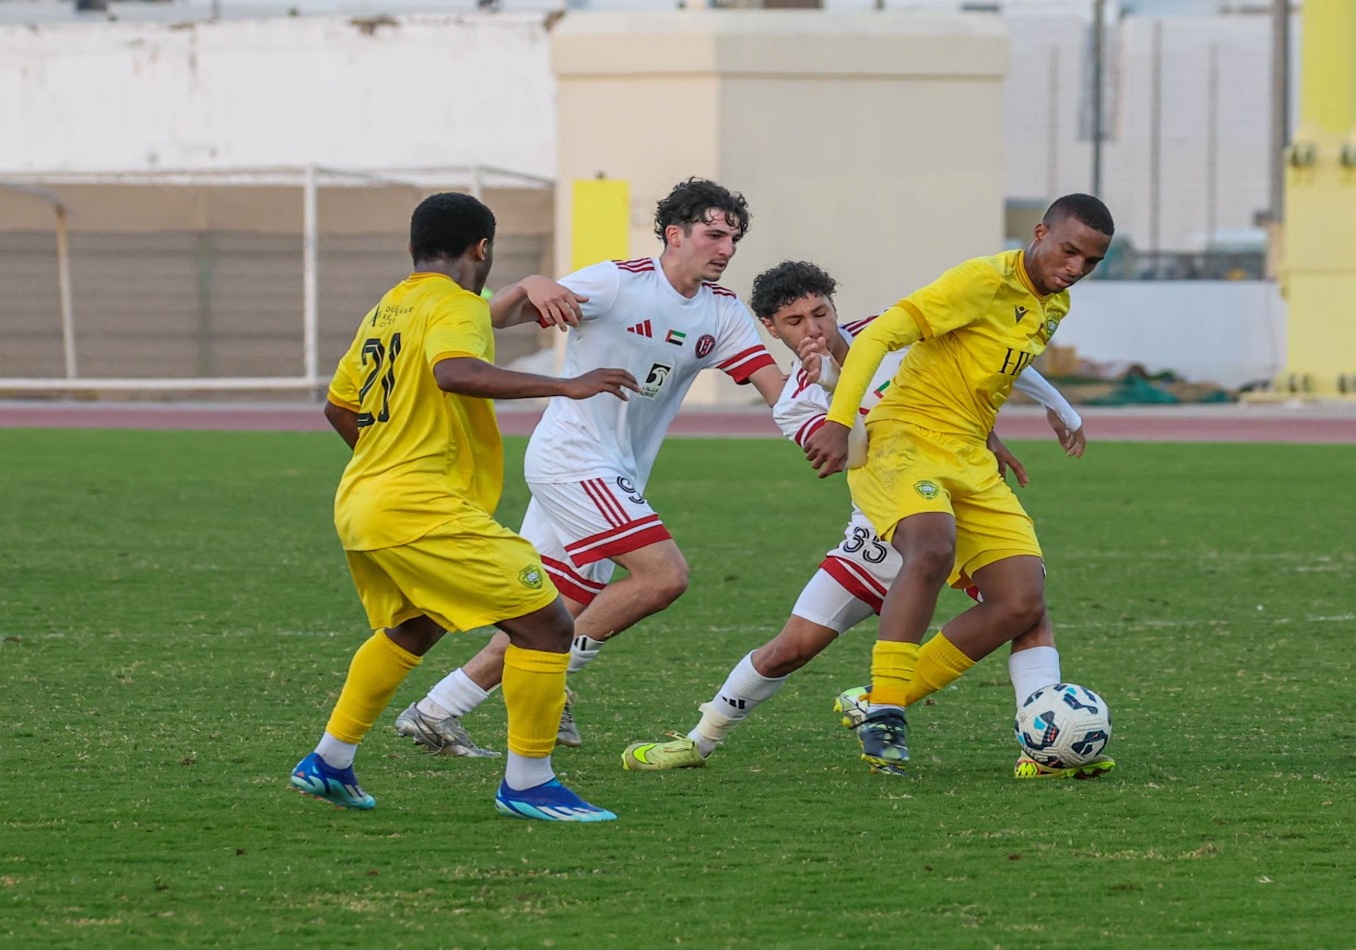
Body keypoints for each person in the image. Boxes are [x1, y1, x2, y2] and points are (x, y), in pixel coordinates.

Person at [619, 260, 1087, 774]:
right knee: (790, 649)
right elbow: (854, 455)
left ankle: (1042, 747)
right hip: (879, 527)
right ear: (772, 330)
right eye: (795, 322)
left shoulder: (891, 335)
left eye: (820, 312)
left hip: (942, 505)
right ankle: (698, 741)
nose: (813, 328)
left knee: (1024, 605)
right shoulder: (795, 399)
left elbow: (994, 357)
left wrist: (1048, 411)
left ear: (835, 306)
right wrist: (826, 390)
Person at [390, 178, 788, 757]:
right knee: (663, 576)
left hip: (614, 471)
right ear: (674, 235)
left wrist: (829, 419)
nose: (725, 249)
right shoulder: (617, 282)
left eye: (733, 238)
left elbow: (776, 389)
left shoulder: (723, 314)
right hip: (572, 458)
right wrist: (530, 283)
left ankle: (435, 711)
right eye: (714, 234)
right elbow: (492, 320)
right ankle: (555, 681)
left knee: (547, 612)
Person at [288, 192, 639, 820]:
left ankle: (329, 760)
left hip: (365, 501)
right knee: (548, 623)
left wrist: (388, 460)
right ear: (483, 248)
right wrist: (566, 384)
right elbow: (454, 371)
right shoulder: (456, 307)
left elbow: (339, 407)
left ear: (413, 250)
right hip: (416, 507)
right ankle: (528, 782)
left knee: (416, 626)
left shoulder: (389, 309)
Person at [802, 193, 1117, 777]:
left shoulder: (1054, 305)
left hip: (968, 454)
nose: (1075, 268)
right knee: (931, 545)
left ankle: (877, 699)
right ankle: (886, 712)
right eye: (1069, 251)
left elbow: (989, 367)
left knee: (1022, 602)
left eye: (1090, 262)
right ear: (1041, 232)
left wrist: (1040, 414)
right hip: (904, 440)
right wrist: (838, 422)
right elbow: (876, 338)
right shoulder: (980, 280)